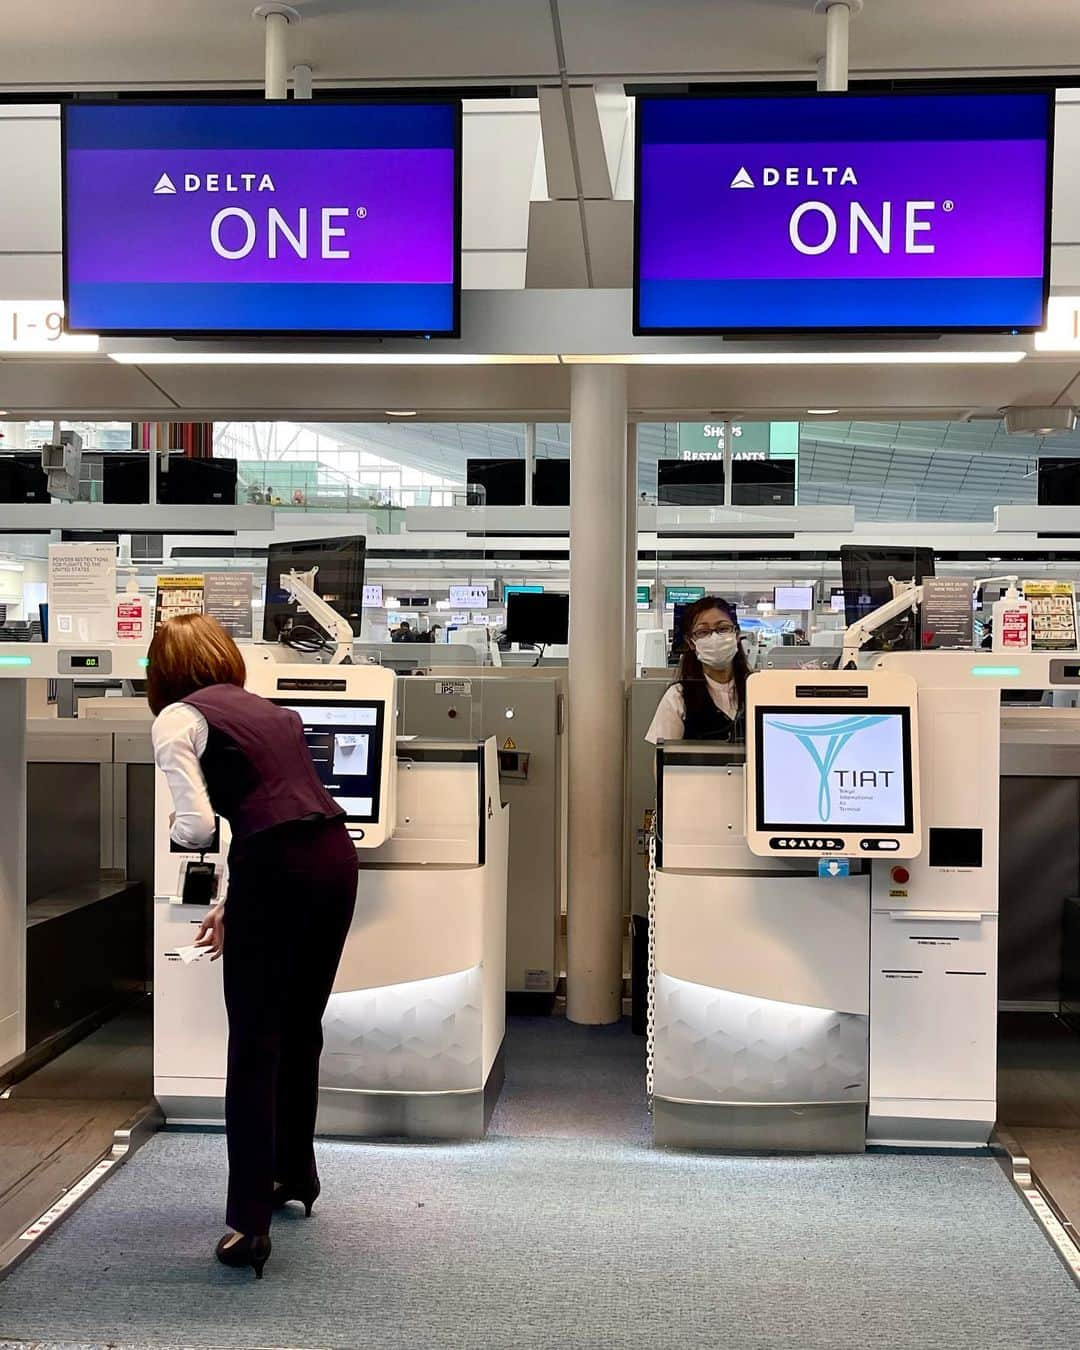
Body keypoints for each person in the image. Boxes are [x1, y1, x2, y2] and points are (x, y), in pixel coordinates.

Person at [148, 614, 359, 1279]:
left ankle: (247, 1224)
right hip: (334, 860)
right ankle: (294, 1175)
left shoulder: (176, 719)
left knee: (254, 1044)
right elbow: (286, 813)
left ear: (163, 671)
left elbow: (198, 825)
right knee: (300, 1029)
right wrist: (235, 902)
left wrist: (198, 859)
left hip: (277, 868)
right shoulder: (276, 713)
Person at [645, 595, 748, 745]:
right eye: (703, 632)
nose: (714, 637)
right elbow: (663, 759)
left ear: (737, 634)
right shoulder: (678, 696)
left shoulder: (759, 689)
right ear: (691, 642)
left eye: (723, 628)